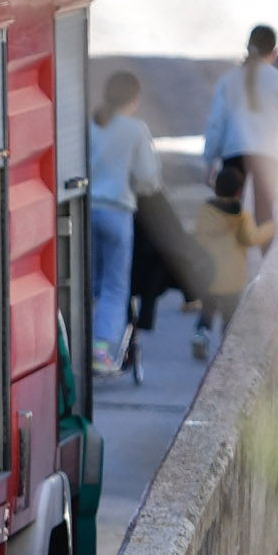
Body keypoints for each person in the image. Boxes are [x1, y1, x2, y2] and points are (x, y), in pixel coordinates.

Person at [203, 24, 278, 231]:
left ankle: (227, 261)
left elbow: (216, 124)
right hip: (269, 152)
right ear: (275, 50)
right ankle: (267, 260)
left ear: (248, 46)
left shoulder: (228, 80)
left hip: (234, 150)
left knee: (228, 214)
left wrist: (210, 159)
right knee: (265, 216)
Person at [87, 72, 150, 376]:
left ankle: (73, 344)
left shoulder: (89, 124)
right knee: (114, 287)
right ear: (134, 99)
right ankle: (100, 352)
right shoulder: (136, 130)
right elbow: (148, 177)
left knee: (88, 283)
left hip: (86, 209)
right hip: (117, 212)